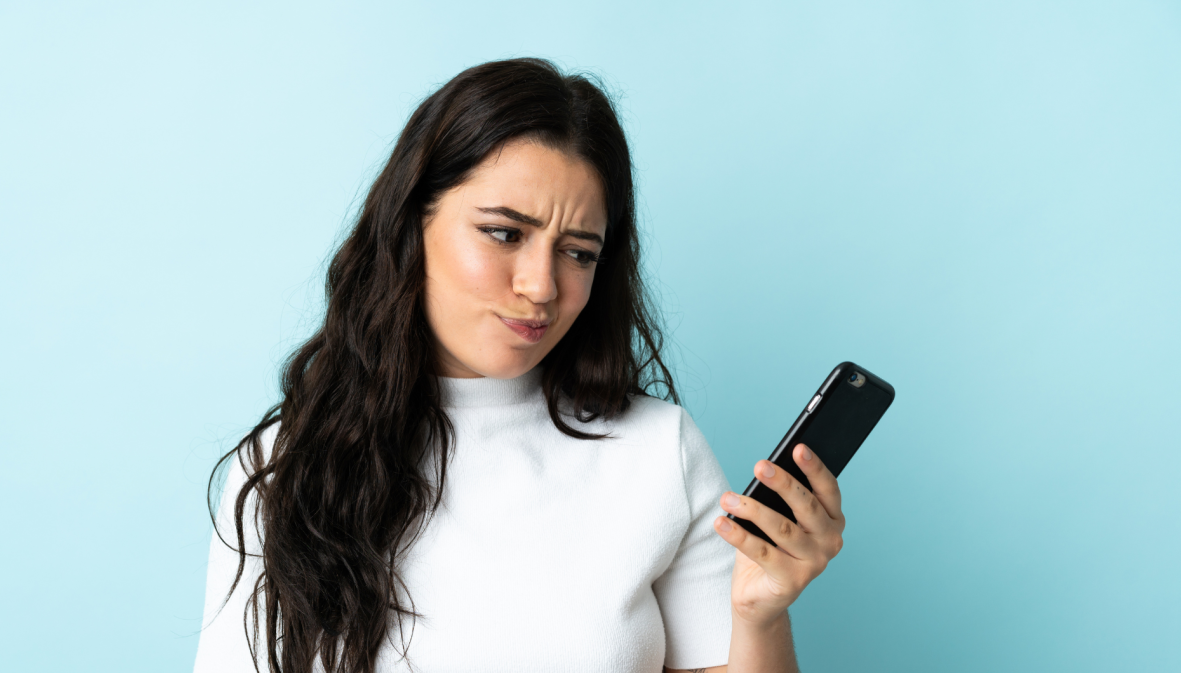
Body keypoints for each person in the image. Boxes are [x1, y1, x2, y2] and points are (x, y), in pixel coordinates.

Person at [194, 58, 845, 673]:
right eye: (504, 233)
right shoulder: (285, 463)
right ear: (410, 224)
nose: (541, 286)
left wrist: (759, 616)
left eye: (579, 252)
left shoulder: (657, 451)